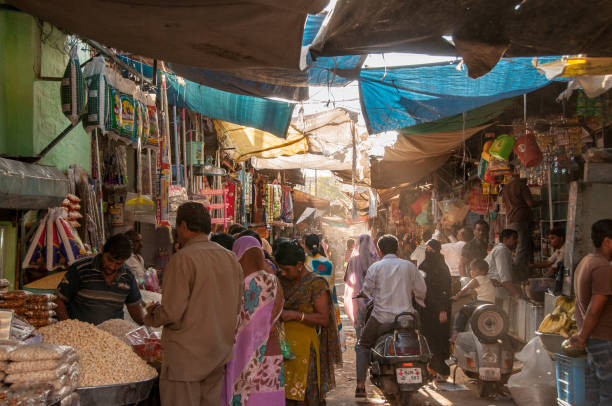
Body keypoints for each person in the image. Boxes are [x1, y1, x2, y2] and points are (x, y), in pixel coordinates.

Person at [144, 202, 243, 406]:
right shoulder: (231, 258)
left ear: (184, 226)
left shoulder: (183, 259)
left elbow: (172, 312)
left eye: (177, 227)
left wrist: (153, 315)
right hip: (217, 354)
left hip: (185, 361)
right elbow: (237, 306)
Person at [356, 235, 426, 397]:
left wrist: (363, 293)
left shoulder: (376, 267)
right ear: (398, 248)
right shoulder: (409, 266)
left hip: (381, 318)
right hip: (407, 318)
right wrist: (418, 300)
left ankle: (360, 385)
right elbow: (421, 290)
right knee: (420, 336)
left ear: (379, 251)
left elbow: (367, 290)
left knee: (364, 345)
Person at [275, 239, 341, 406]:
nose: (282, 273)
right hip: (280, 347)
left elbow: (323, 319)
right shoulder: (280, 280)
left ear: (299, 265)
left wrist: (296, 315)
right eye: (280, 269)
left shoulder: (315, 284)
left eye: (286, 269)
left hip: (305, 350)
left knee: (303, 396)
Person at [222, 236, 284, 406]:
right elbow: (276, 316)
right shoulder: (274, 280)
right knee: (268, 398)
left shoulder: (238, 283)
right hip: (270, 350)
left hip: (241, 352)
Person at [56, 234, 144, 325]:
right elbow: (59, 300)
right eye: (109, 260)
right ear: (102, 250)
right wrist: (68, 325)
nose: (112, 267)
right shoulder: (80, 269)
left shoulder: (128, 276)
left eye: (119, 263)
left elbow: (135, 308)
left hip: (112, 336)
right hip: (81, 334)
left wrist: (149, 324)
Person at [569, 219, 612, 405]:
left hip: (595, 340)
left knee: (594, 392)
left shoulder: (586, 261)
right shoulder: (602, 267)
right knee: (607, 393)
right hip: (603, 339)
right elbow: (595, 309)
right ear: (608, 241)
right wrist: (582, 337)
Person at [419, 239, 452, 381]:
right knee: (428, 339)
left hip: (438, 310)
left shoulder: (442, 268)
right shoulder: (424, 265)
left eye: (430, 249)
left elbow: (444, 290)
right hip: (426, 310)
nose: (428, 252)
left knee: (439, 339)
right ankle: (430, 370)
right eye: (427, 249)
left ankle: (440, 371)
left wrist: (442, 309)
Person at [501, 169, 542, 281]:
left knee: (518, 248)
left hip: (510, 220)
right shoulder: (521, 186)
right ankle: (517, 276)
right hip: (520, 219)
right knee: (522, 248)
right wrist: (543, 202)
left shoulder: (506, 188)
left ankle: (522, 274)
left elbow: (504, 205)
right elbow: (530, 203)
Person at [450, 259, 496, 342]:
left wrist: (457, 296)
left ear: (482, 271)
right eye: (471, 269)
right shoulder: (487, 279)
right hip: (491, 304)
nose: (471, 272)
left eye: (474, 270)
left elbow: (466, 288)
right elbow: (470, 292)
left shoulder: (478, 279)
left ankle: (456, 332)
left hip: (482, 303)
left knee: (463, 310)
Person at [343, 234, 380, 339]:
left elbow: (346, 279)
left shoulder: (353, 260)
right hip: (374, 297)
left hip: (358, 297)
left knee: (360, 326)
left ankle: (360, 346)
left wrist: (356, 285)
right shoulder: (376, 260)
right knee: (373, 325)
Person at [486, 229, 522, 299]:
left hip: (495, 291)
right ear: (505, 239)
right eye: (514, 238)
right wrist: (516, 294)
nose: (517, 241)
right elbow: (504, 278)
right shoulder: (502, 250)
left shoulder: (503, 250)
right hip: (495, 292)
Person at [441, 227, 473, 294]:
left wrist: (437, 231)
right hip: (468, 278)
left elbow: (431, 246)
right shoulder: (471, 247)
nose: (457, 231)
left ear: (460, 236)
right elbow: (457, 244)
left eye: (458, 232)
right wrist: (449, 235)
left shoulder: (450, 247)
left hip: (453, 280)